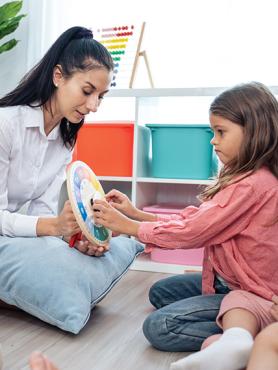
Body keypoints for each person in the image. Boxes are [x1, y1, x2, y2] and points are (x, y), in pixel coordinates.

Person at [92, 82, 278, 369]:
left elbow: (193, 232)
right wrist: (138, 214)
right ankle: (237, 335)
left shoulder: (252, 185)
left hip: (253, 293)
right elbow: (196, 219)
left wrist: (129, 226)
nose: (213, 141)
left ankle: (245, 338)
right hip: (231, 281)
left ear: (254, 131)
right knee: (160, 292)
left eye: (221, 132)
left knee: (160, 327)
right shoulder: (244, 177)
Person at [0, 26, 113, 257]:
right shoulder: (6, 125)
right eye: (87, 91)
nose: (93, 106)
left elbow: (42, 210)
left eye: (100, 96)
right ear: (58, 76)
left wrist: (71, 236)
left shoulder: (65, 142)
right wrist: (54, 226)